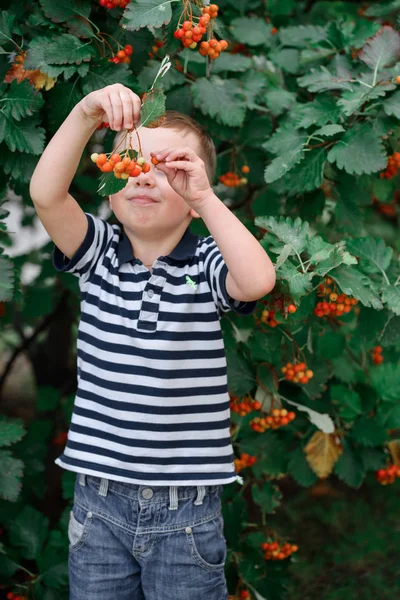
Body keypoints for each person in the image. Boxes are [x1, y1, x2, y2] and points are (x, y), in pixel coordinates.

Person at [30, 83, 276, 600]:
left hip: (186, 510)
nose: (143, 174)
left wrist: (207, 199)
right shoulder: (98, 252)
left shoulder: (208, 262)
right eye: (131, 162)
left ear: (191, 200)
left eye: (168, 169)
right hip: (98, 502)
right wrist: (83, 115)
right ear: (112, 181)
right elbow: (46, 195)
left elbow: (256, 282)